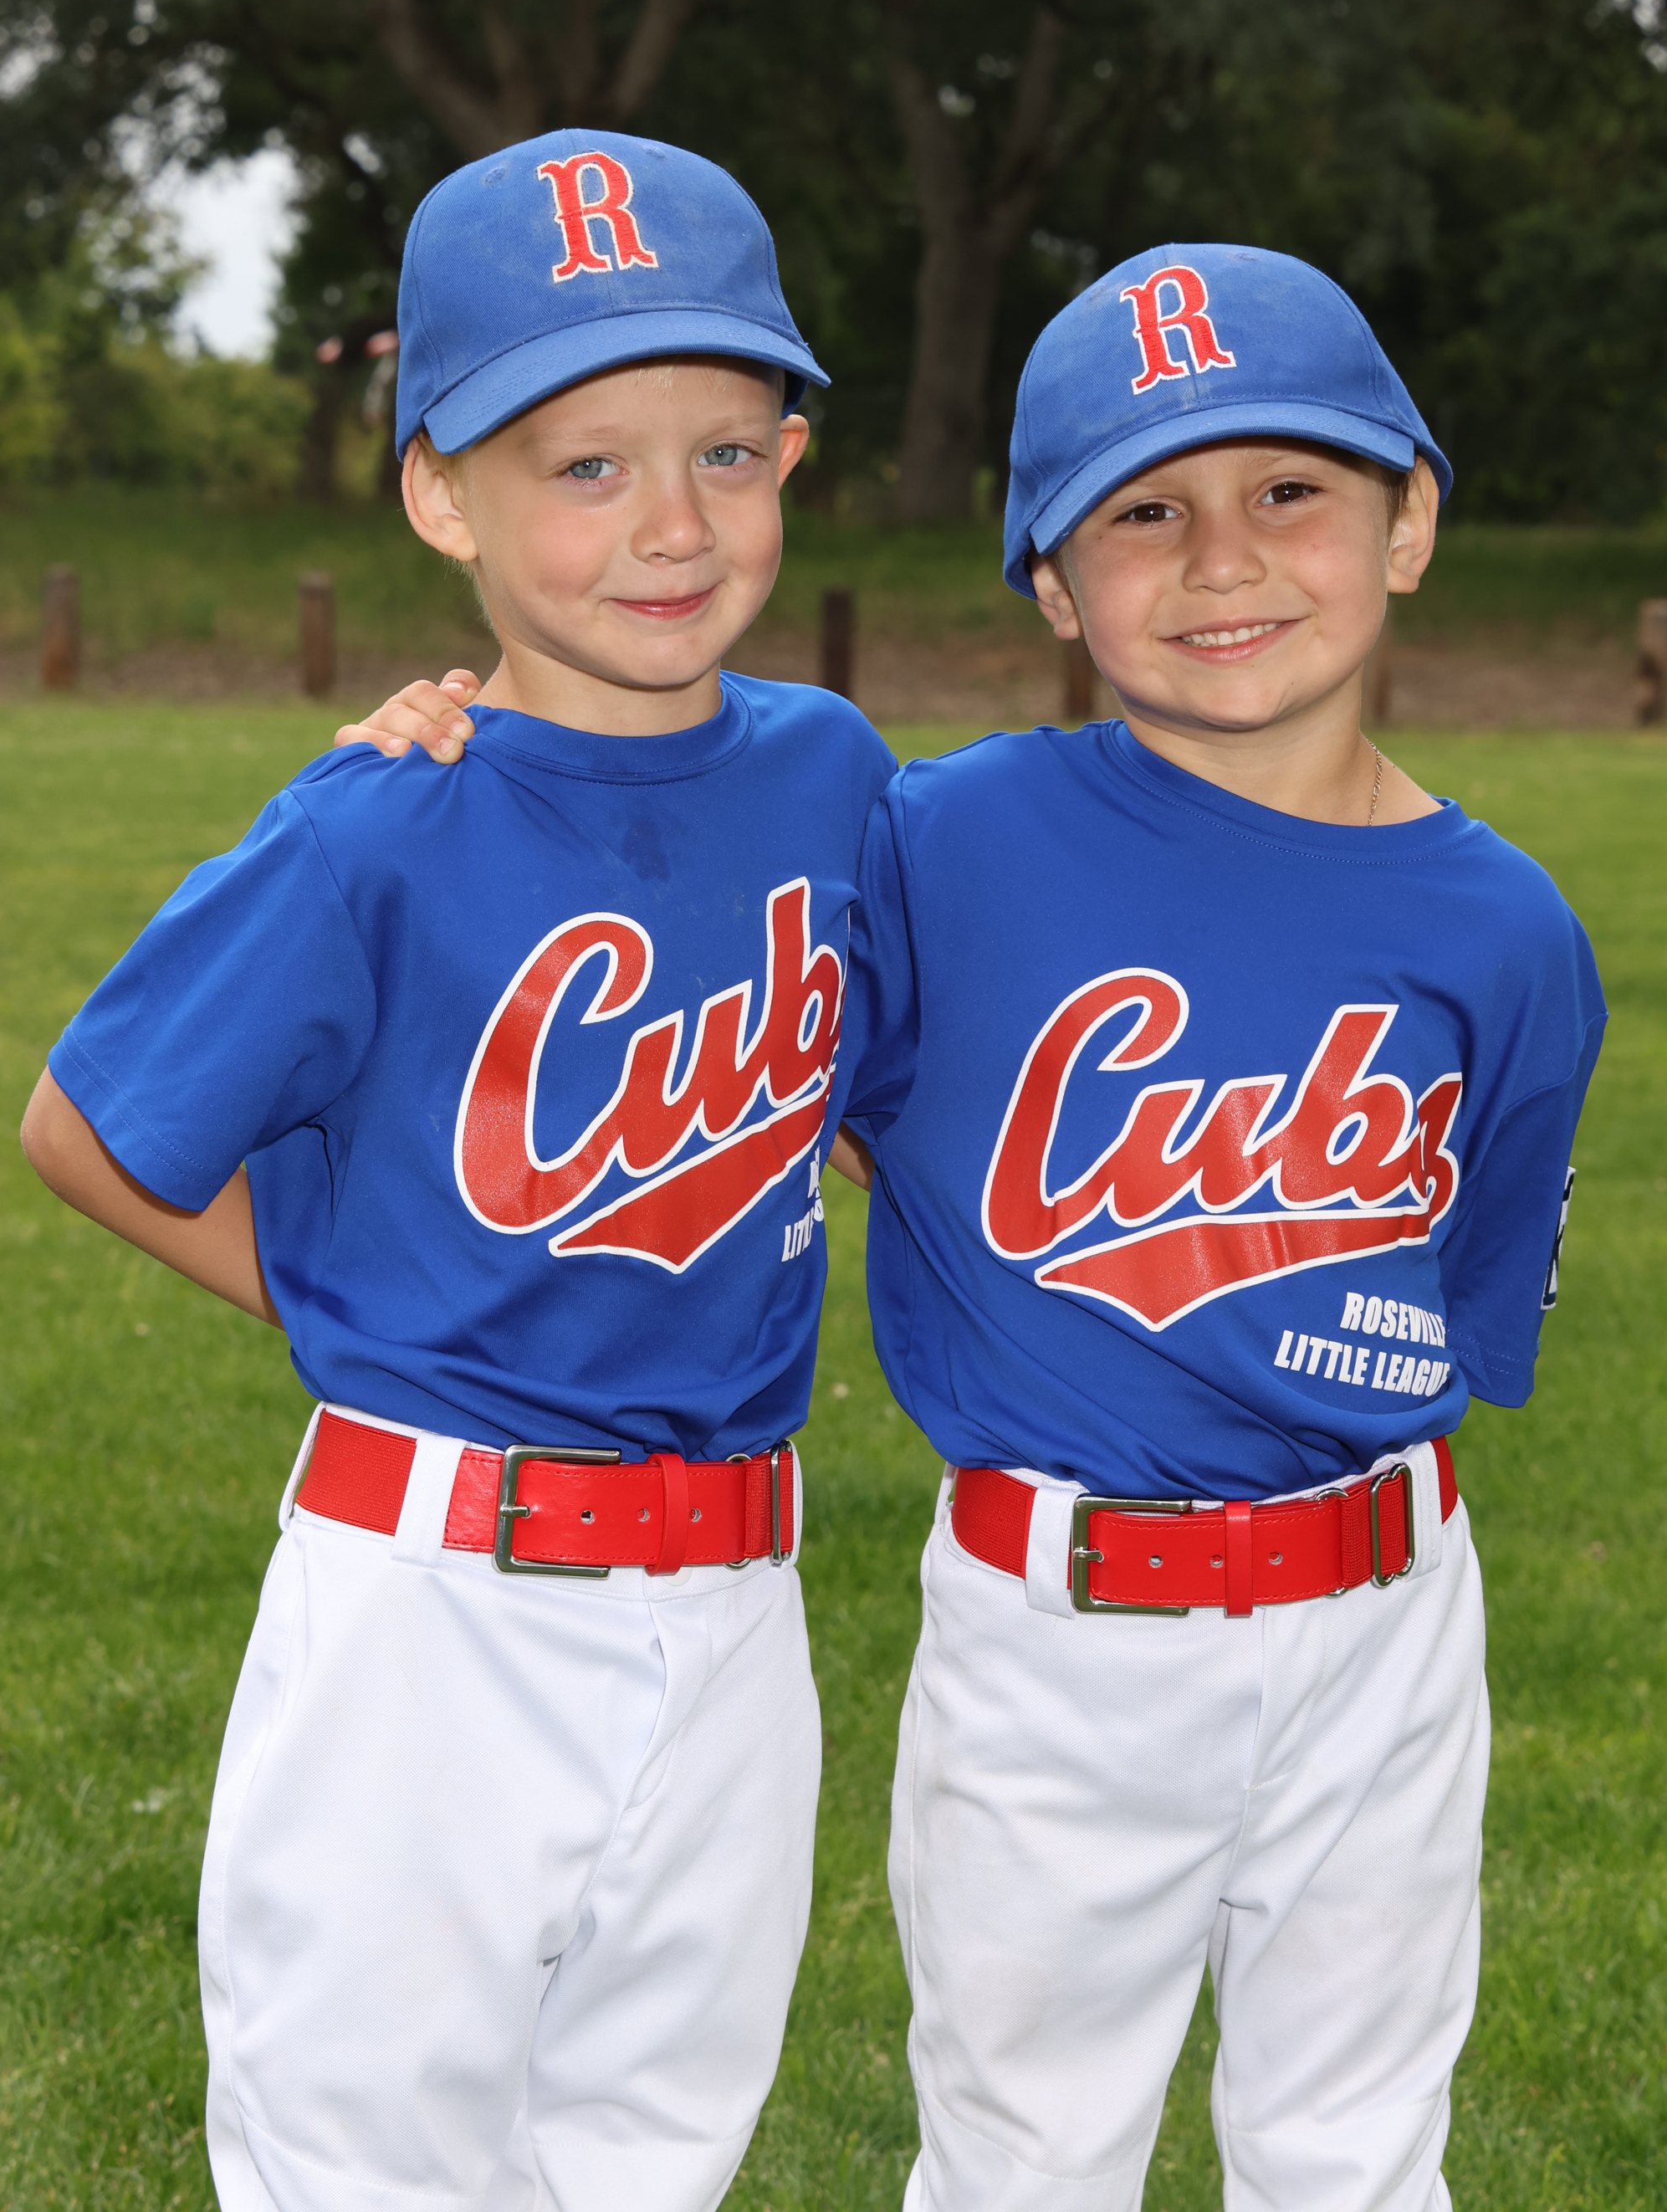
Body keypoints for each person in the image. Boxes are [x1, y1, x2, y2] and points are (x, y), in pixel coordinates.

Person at [346, 243, 1604, 2209]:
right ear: (1051, 584)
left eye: (1290, 488)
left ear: (1410, 521)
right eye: (1141, 512)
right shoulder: (936, 839)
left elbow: (1449, 1292)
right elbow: (755, 1054)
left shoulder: (1511, 928)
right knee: (1028, 2154)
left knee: (1359, 2144)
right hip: (1060, 1626)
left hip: (1387, 1609)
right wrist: (470, 735)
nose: (1222, 560)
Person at [20, 129, 894, 2212]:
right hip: (437, 1599)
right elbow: (92, 1126)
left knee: (649, 2151)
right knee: (368, 2160)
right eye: (583, 464)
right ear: (441, 494)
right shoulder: (376, 821)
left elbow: (885, 1084)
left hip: (737, 1599)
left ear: (789, 458)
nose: (669, 523)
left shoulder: (834, 771)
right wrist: (353, 1301)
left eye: (726, 453)